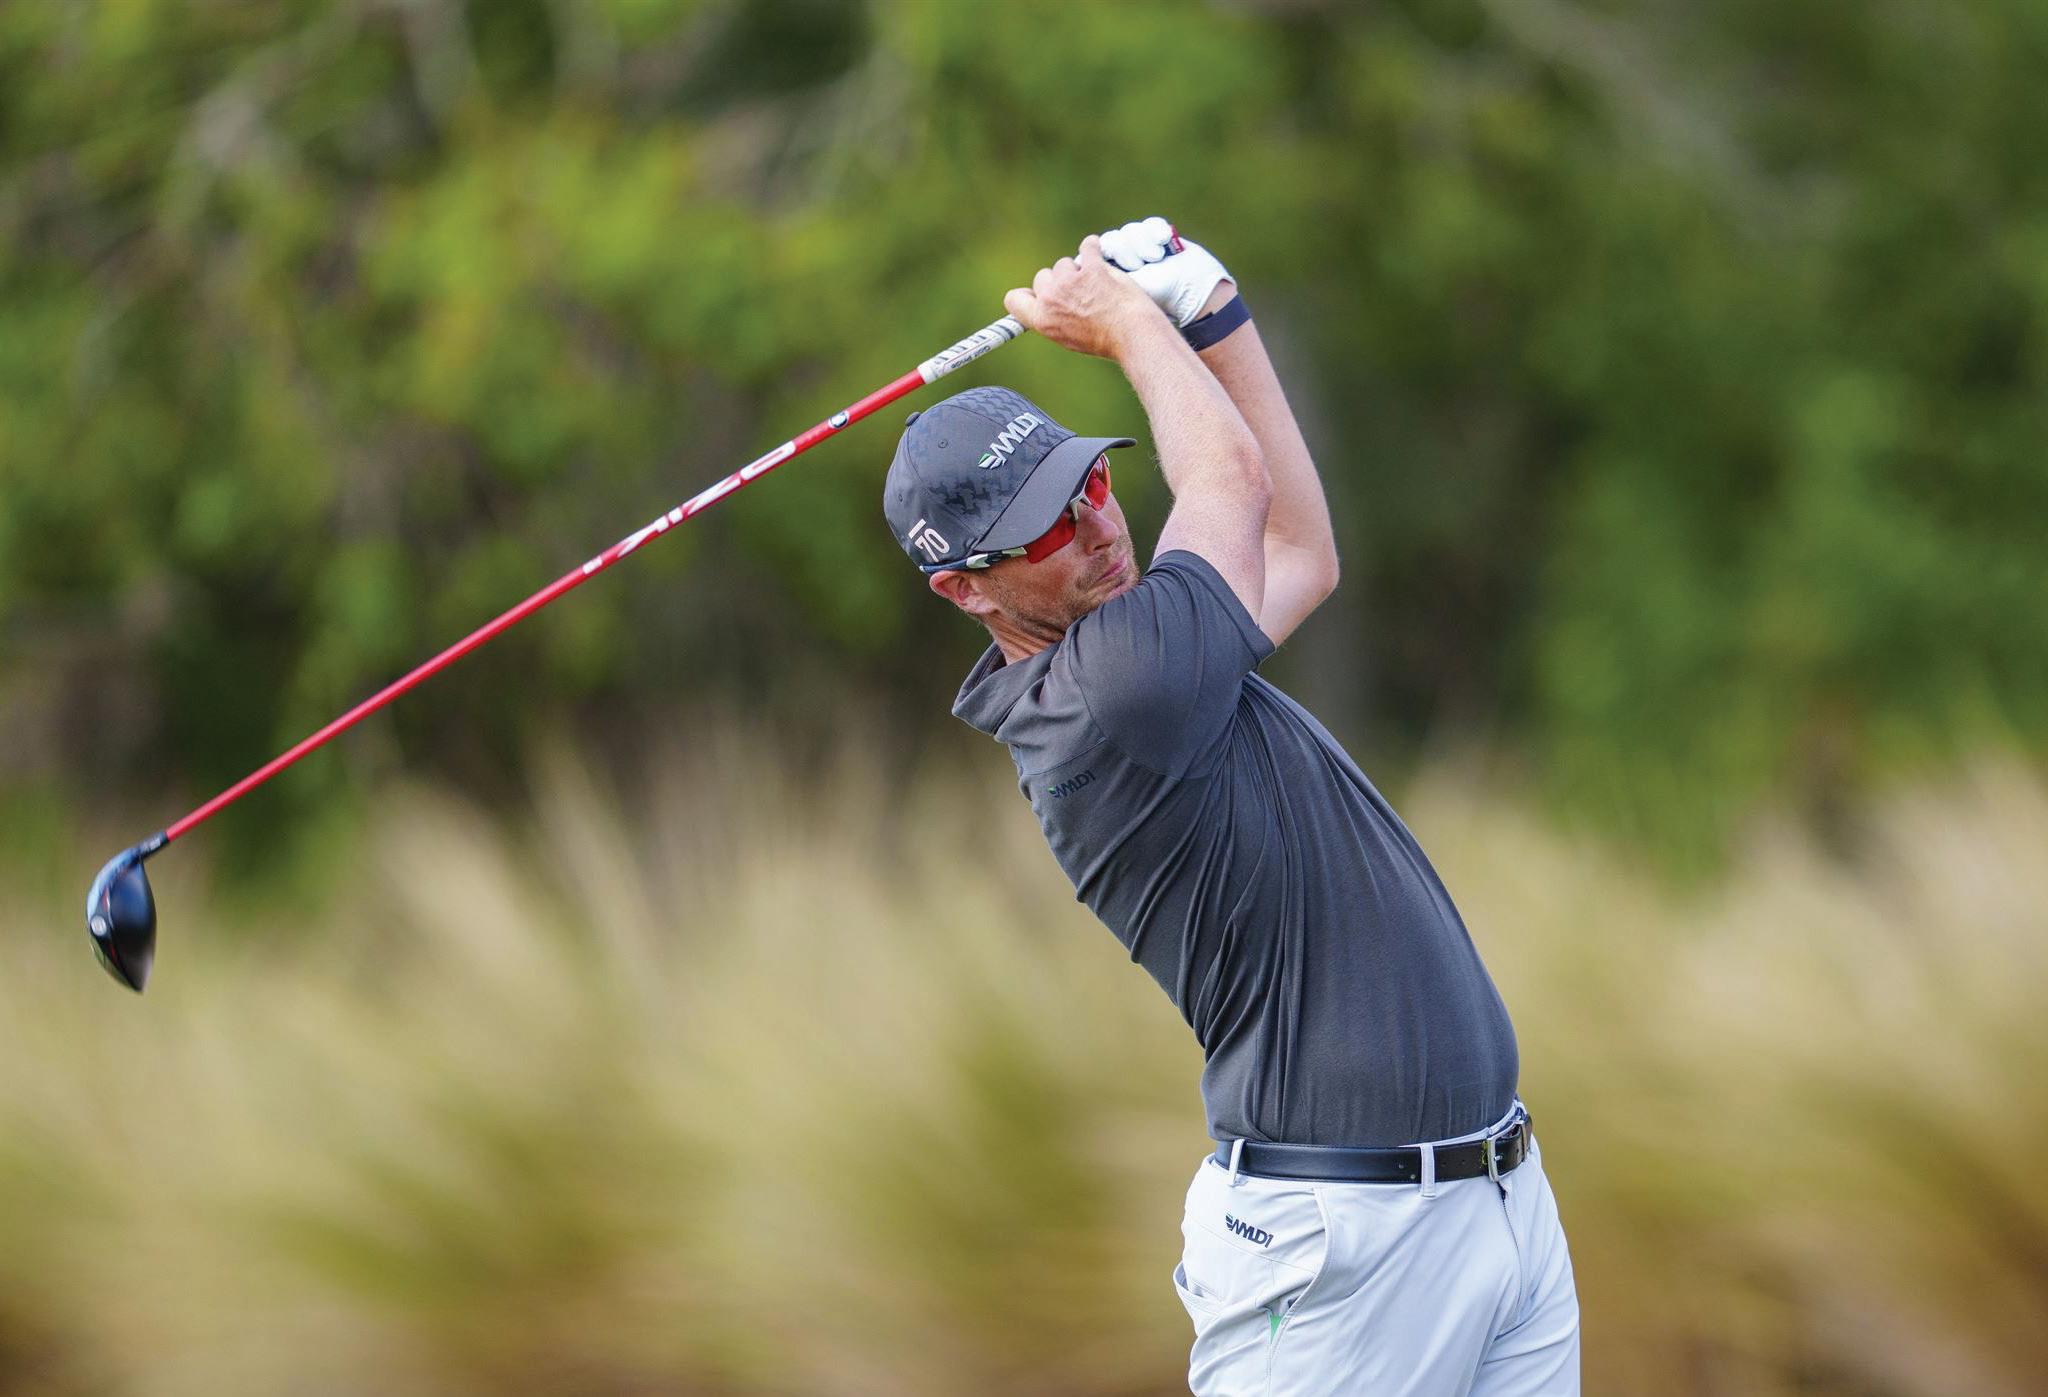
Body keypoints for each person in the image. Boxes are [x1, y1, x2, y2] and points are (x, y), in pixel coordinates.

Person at [882, 218, 1580, 1395]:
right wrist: (1127, 322)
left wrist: (1210, 311)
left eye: (1090, 481)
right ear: (964, 588)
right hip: (1339, 1247)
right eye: (1045, 527)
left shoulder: (1155, 649)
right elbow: (1232, 481)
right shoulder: (1111, 694)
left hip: (1496, 1202)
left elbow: (1297, 548)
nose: (1097, 526)